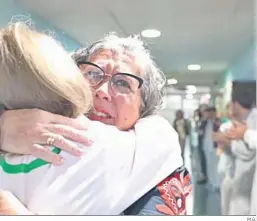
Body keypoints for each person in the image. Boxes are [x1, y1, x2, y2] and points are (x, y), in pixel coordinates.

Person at [0, 23, 191, 215]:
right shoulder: (22, 121)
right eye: (92, 74)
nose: (101, 91)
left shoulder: (157, 161)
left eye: (122, 83)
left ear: (144, 107)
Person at [216, 89, 256, 215]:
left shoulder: (250, 122)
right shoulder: (231, 125)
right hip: (231, 173)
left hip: (242, 177)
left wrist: (243, 135)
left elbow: (247, 152)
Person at [212, 103, 235, 215]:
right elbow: (220, 147)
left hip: (240, 171)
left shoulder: (245, 127)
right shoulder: (225, 126)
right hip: (226, 169)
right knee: (226, 204)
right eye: (229, 109)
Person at [203, 107, 221, 190]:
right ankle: (211, 182)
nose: (210, 115)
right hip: (206, 146)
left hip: (215, 147)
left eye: (212, 113)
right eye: (209, 113)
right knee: (209, 165)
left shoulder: (218, 122)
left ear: (215, 113)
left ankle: (217, 183)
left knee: (216, 165)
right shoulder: (205, 122)